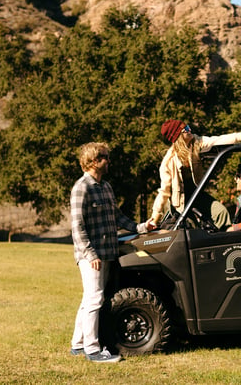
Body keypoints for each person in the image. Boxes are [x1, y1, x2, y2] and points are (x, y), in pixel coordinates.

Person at [70, 142, 155, 363]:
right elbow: (77, 226)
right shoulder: (82, 188)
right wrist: (90, 254)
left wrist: (142, 227)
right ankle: (92, 350)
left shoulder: (105, 187)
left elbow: (118, 218)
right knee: (95, 299)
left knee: (89, 298)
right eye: (105, 157)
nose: (109, 161)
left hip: (107, 253)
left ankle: (78, 344)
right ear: (93, 161)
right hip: (92, 257)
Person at [150, 120, 241, 230]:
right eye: (186, 129)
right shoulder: (168, 162)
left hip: (196, 194)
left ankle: (226, 241)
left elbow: (218, 140)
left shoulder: (196, 143)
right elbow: (164, 192)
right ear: (179, 136)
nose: (190, 130)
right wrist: (155, 218)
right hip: (180, 202)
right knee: (191, 228)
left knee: (221, 212)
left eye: (188, 126)